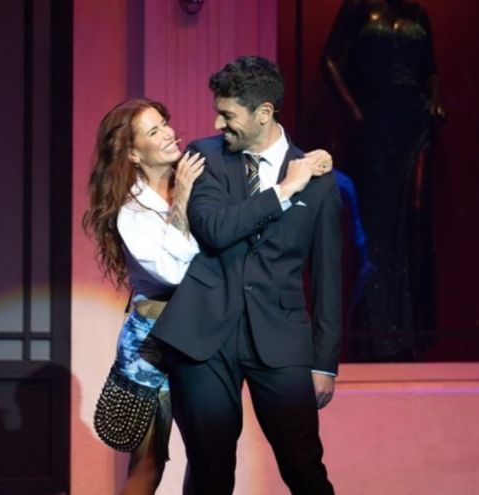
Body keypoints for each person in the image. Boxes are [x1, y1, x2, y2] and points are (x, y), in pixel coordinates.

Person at [83, 98, 333, 494]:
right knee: (148, 464)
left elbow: (247, 195)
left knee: (207, 457)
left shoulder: (203, 173)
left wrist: (310, 160)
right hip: (153, 338)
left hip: (203, 327)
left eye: (165, 123)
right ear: (132, 153)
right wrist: (182, 200)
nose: (169, 133)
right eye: (153, 131)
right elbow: (173, 273)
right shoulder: (131, 210)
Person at [152, 56, 342, 495]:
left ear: (264, 113)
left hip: (281, 337)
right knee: (210, 468)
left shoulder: (318, 179)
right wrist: (284, 190)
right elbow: (215, 229)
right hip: (206, 336)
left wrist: (324, 362)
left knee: (303, 466)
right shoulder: (205, 156)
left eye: (228, 114)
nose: (217, 123)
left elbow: (328, 277)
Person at [322, 0, 443, 360]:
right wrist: (353, 110)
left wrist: (436, 100)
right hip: (375, 124)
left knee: (416, 217)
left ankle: (414, 332)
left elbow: (431, 69)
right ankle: (377, 336)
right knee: (375, 226)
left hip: (416, 124)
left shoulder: (416, 12)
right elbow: (329, 61)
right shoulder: (359, 8)